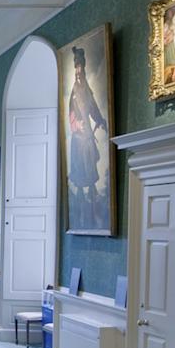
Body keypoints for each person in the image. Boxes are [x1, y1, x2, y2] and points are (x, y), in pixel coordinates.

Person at [66, 46, 109, 229]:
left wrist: (99, 120)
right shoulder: (74, 91)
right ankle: (83, 195)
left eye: (80, 67)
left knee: (90, 160)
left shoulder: (86, 89)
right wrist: (77, 125)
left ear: (83, 68)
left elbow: (93, 108)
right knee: (80, 164)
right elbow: (71, 114)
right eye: (76, 67)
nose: (78, 70)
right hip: (78, 136)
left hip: (87, 135)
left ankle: (92, 192)